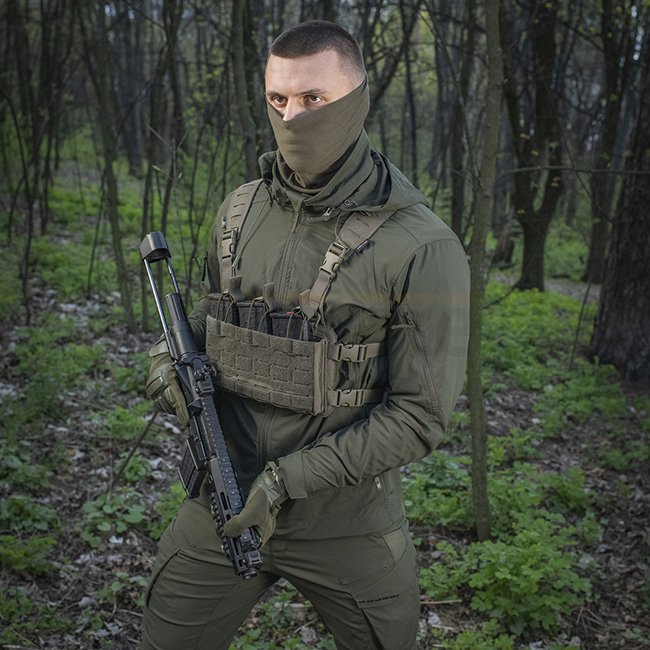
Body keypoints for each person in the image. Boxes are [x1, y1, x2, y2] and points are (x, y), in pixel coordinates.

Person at [141, 19, 470, 650]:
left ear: (358, 99)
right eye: (277, 99)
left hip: (347, 521)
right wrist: (166, 363)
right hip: (224, 495)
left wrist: (285, 481)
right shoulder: (240, 210)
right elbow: (206, 323)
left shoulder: (422, 245)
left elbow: (420, 416)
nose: (291, 117)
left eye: (313, 99)